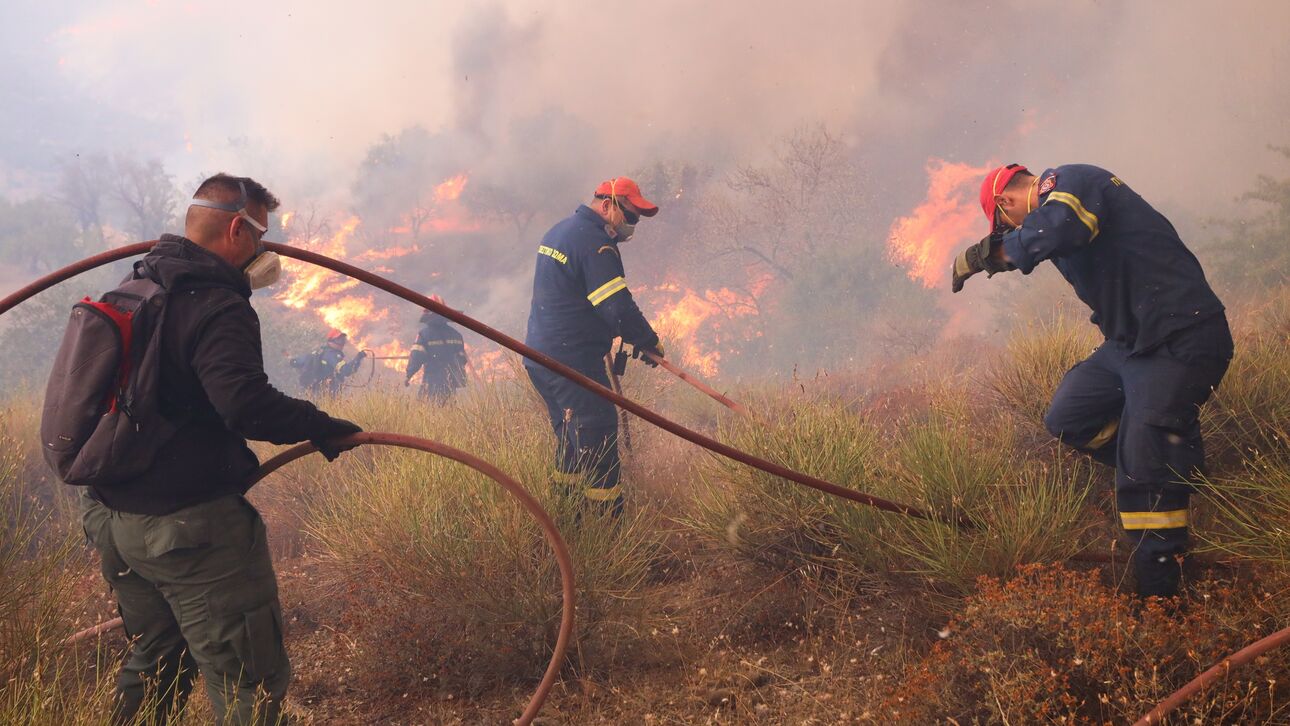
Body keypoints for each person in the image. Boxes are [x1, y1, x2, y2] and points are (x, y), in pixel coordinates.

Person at [78, 173, 362, 724]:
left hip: (111, 516)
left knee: (157, 657)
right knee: (248, 678)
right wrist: (321, 424)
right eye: (260, 238)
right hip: (187, 532)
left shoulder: (138, 286)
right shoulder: (218, 304)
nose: (264, 251)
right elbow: (245, 404)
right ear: (237, 229)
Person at [951, 162, 1232, 598]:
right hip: (1130, 346)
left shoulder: (1070, 183)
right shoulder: (1051, 216)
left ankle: (1163, 603)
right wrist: (997, 253)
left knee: (1141, 480)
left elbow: (1058, 229)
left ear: (1006, 202)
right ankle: (1171, 463)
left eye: (1005, 225)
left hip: (1180, 340)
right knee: (1069, 416)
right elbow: (1040, 238)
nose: (1011, 232)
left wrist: (985, 255)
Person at [523, 177, 665, 516]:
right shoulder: (596, 244)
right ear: (606, 205)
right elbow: (616, 305)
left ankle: (566, 521)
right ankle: (607, 534)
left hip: (540, 358)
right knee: (599, 438)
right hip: (572, 362)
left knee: (571, 439)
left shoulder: (559, 232)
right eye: (630, 216)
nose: (633, 225)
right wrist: (649, 341)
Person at [404, 296, 468, 402]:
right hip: (450, 382)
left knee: (425, 410)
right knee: (448, 411)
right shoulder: (456, 335)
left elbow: (416, 357)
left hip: (432, 380)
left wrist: (409, 375)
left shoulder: (424, 334)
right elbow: (462, 359)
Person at [290, 329, 368, 395]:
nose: (342, 344)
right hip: (327, 395)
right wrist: (358, 357)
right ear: (330, 341)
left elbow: (296, 362)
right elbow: (346, 371)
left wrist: (293, 361)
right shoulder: (332, 355)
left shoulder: (319, 352)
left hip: (314, 393)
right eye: (339, 340)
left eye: (343, 340)